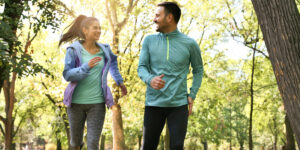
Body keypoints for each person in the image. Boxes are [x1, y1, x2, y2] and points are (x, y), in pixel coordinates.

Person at [138, 2, 204, 150]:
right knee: (148, 146)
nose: (154, 19)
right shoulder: (149, 40)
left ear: (169, 18)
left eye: (157, 15)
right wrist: (150, 79)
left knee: (176, 146)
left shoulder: (189, 43)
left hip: (178, 105)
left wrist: (192, 94)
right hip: (153, 103)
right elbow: (141, 67)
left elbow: (198, 70)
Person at [59, 15, 127, 150]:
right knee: (75, 143)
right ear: (85, 30)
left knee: (93, 143)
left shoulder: (105, 50)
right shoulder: (73, 50)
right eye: (95, 28)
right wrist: (86, 67)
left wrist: (119, 81)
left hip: (97, 103)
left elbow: (113, 64)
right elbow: (67, 74)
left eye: (100, 28)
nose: (99, 31)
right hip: (75, 103)